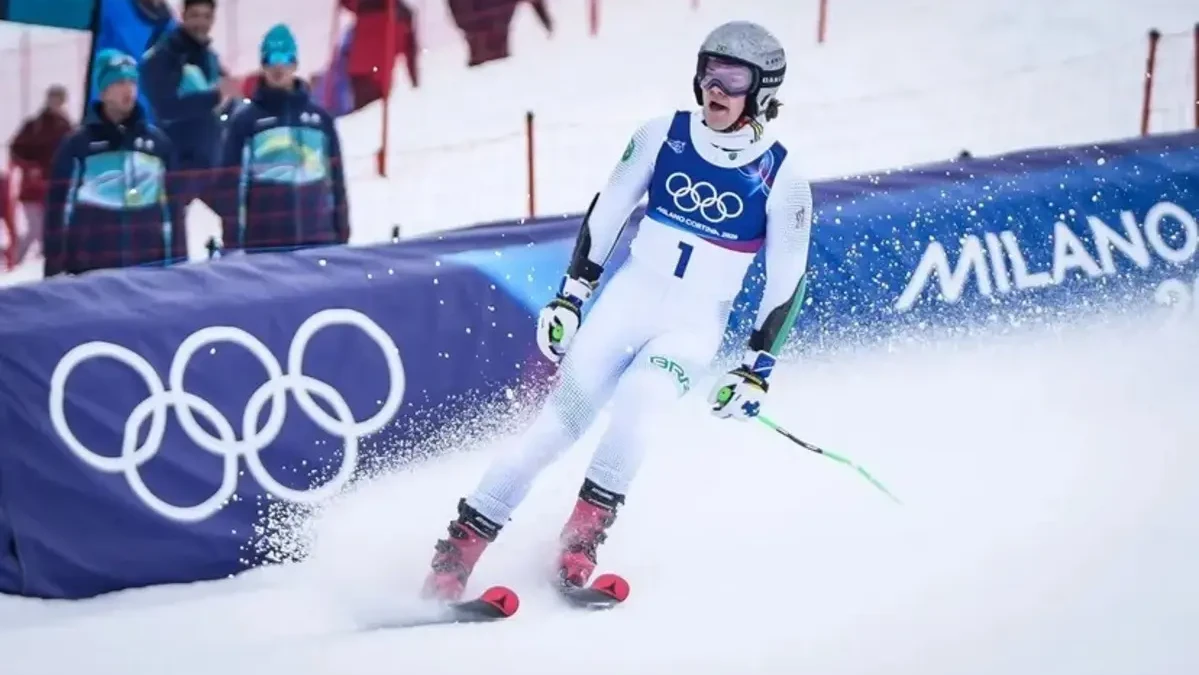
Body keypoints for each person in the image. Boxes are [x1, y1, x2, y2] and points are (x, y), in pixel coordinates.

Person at [421, 21, 813, 602]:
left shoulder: (782, 177)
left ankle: (578, 544)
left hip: (691, 327)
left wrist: (757, 367)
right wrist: (570, 298)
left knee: (639, 409)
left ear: (762, 91)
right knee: (553, 431)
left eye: (732, 79)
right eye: (709, 71)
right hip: (626, 304)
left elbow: (787, 281)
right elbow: (606, 215)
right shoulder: (662, 135)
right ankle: (454, 559)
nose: (715, 88)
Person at [42, 49, 185, 277]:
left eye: (132, 81)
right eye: (119, 82)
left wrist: (179, 265)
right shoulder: (77, 145)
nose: (128, 89)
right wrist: (54, 270)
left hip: (148, 268)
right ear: (103, 90)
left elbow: (173, 210)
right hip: (92, 271)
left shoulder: (158, 144)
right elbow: (58, 211)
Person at [215, 24, 350, 253]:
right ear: (263, 64)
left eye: (285, 57)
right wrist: (233, 243)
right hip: (265, 247)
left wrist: (342, 232)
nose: (278, 65)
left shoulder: (320, 120)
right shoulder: (245, 122)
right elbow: (231, 191)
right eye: (271, 58)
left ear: (295, 63)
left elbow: (336, 181)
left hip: (318, 241)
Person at [138, 0, 237, 225]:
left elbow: (224, 102)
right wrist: (214, 97)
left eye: (206, 16)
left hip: (211, 160)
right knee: (171, 233)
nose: (200, 22)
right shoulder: (164, 54)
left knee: (238, 219)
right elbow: (165, 108)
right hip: (180, 164)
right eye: (195, 15)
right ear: (183, 16)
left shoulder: (209, 56)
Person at [7, 85, 75, 266]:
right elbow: (15, 150)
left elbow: (73, 153)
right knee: (35, 231)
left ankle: (46, 269)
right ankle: (13, 265)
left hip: (56, 188)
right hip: (32, 189)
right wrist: (30, 168)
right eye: (53, 98)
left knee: (51, 232)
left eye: (60, 99)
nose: (56, 103)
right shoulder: (34, 125)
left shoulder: (66, 126)